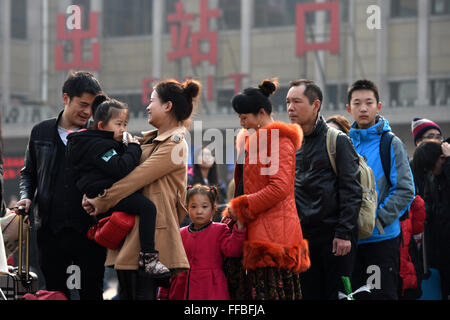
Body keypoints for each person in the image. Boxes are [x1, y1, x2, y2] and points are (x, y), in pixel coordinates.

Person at [82, 78, 201, 300]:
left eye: (152, 100)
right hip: (133, 231)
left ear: (167, 106)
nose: (147, 106)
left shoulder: (175, 143)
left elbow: (136, 179)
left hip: (152, 239)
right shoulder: (149, 141)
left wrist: (100, 201)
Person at [17, 71, 106, 300]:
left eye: (92, 106)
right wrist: (26, 196)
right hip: (50, 229)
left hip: (91, 230)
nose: (87, 112)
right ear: (66, 98)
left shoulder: (98, 134)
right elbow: (28, 173)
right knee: (55, 292)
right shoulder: (41, 132)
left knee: (92, 291)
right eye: (83, 104)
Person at [223, 78, 310, 300]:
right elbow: (243, 184)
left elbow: (279, 188)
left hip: (273, 235)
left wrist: (241, 207)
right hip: (253, 229)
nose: (242, 123)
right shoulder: (251, 140)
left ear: (261, 113)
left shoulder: (279, 141)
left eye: (245, 118)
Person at [66, 95, 170, 277]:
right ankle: (149, 258)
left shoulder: (99, 142)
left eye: (125, 124)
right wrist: (133, 147)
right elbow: (120, 168)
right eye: (118, 124)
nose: (123, 129)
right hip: (102, 192)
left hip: (99, 192)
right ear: (101, 126)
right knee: (147, 208)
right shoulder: (99, 145)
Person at [287, 79, 362, 300]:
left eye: (297, 101)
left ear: (315, 105)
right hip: (303, 240)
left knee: (339, 296)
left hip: (335, 240)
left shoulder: (337, 140)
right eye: (288, 102)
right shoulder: (290, 144)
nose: (290, 108)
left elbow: (351, 190)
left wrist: (343, 233)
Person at [345, 79, 415, 300]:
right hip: (351, 243)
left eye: (369, 102)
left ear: (379, 106)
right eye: (357, 103)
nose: (363, 108)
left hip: (381, 242)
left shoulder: (390, 143)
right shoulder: (343, 144)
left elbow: (405, 189)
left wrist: (378, 220)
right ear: (349, 109)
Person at [159, 184, 246, 300]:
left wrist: (240, 227)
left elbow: (233, 250)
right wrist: (163, 294)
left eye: (204, 207)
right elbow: (171, 266)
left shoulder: (220, 230)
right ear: (187, 208)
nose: (199, 211)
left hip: (211, 290)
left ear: (213, 208)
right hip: (180, 290)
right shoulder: (180, 234)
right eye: (193, 206)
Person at [412, 140, 450, 299]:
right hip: (440, 248)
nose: (431, 172)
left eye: (432, 167)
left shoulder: (445, 170)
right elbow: (428, 203)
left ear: (442, 158)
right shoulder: (433, 178)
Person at [180, 146, 228, 226]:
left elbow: (222, 205)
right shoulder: (189, 180)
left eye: (210, 155)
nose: (207, 157)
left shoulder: (219, 184)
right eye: (203, 155)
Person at [410, 118, 444, 197]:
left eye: (438, 137)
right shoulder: (409, 167)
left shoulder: (445, 161)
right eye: (430, 136)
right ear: (419, 142)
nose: (436, 140)